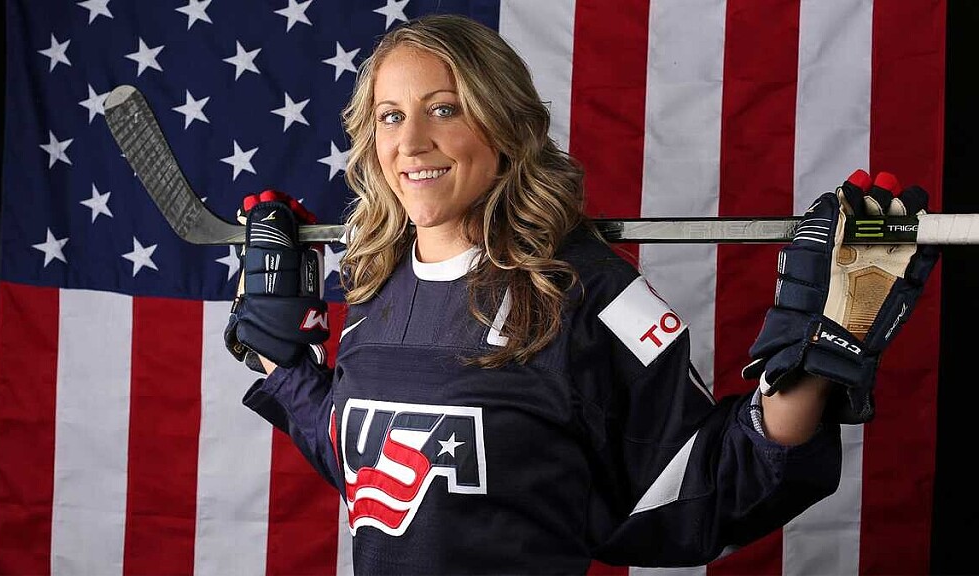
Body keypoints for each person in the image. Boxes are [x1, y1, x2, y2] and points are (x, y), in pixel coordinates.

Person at [223, 13, 940, 574]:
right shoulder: (376, 286)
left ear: (506, 127)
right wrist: (283, 363)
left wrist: (811, 363)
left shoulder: (584, 290)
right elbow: (381, 477)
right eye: (390, 114)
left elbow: (711, 483)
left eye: (444, 109)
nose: (410, 142)